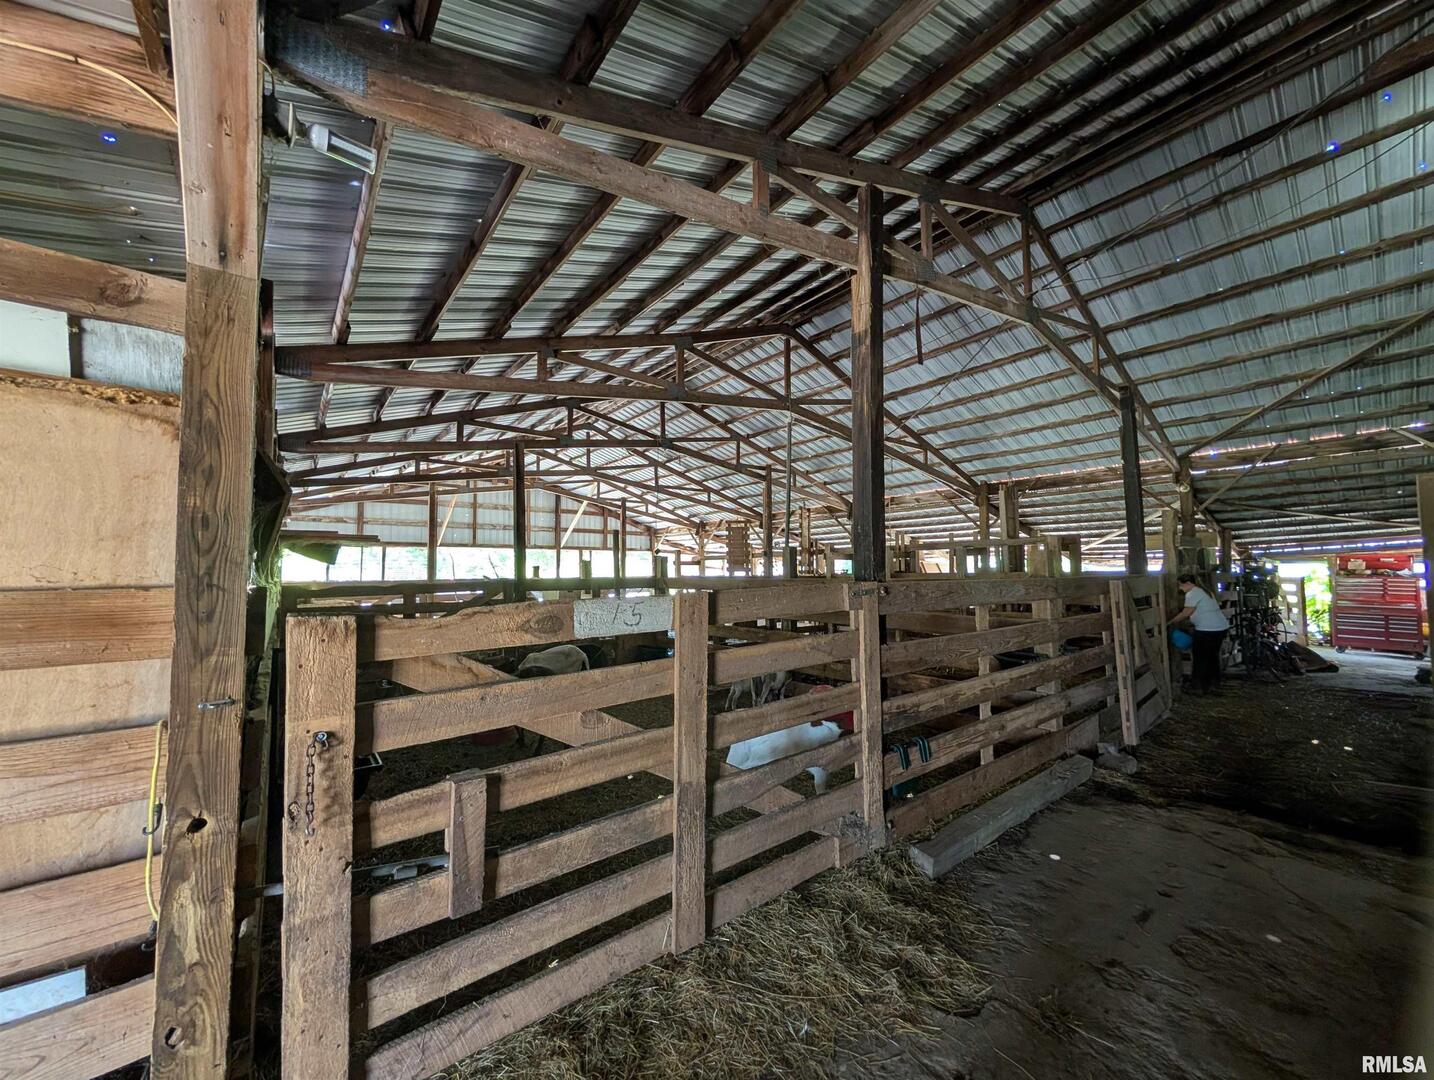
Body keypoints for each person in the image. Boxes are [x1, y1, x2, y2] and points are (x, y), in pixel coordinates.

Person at [1169, 573, 1229, 694]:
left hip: (1207, 630)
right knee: (1212, 657)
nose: (1180, 588)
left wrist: (1171, 622)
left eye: (1181, 585)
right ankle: (1213, 684)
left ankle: (1198, 686)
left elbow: (1186, 612)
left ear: (1188, 583)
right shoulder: (1206, 591)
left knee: (1200, 658)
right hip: (1220, 628)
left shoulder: (1193, 593)